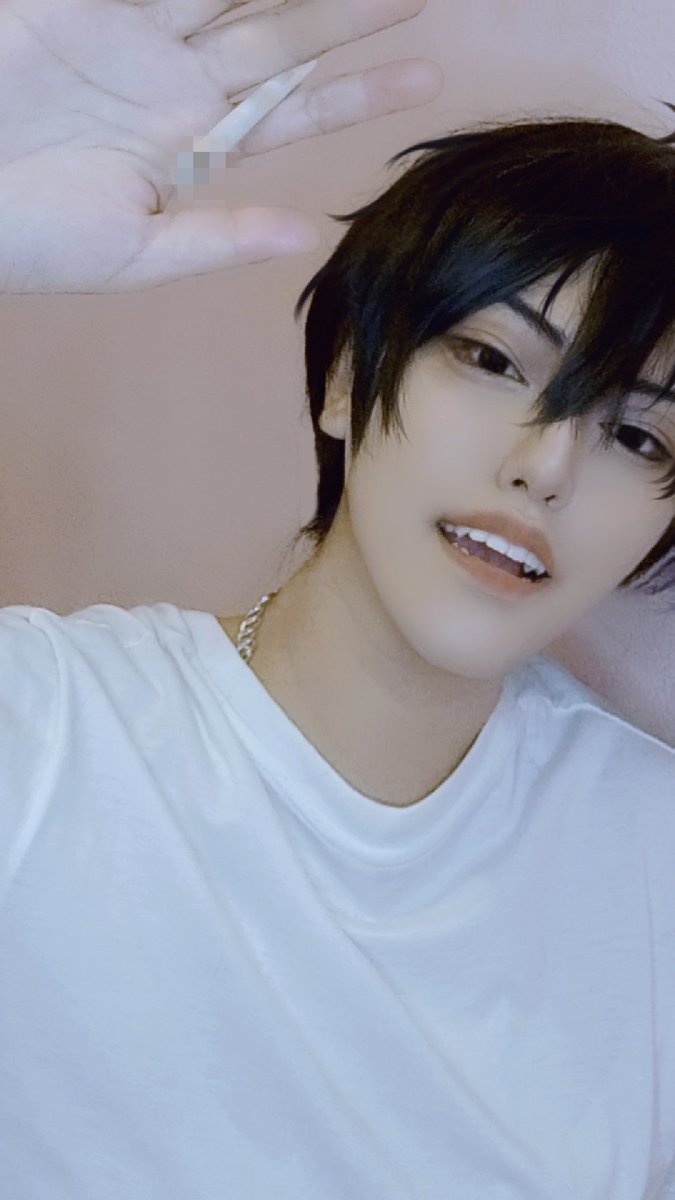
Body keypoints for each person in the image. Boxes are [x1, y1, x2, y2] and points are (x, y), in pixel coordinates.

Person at [0, 3, 673, 1198]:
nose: (546, 467)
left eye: (636, 435)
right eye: (493, 361)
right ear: (349, 377)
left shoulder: (648, 863)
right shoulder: (48, 735)